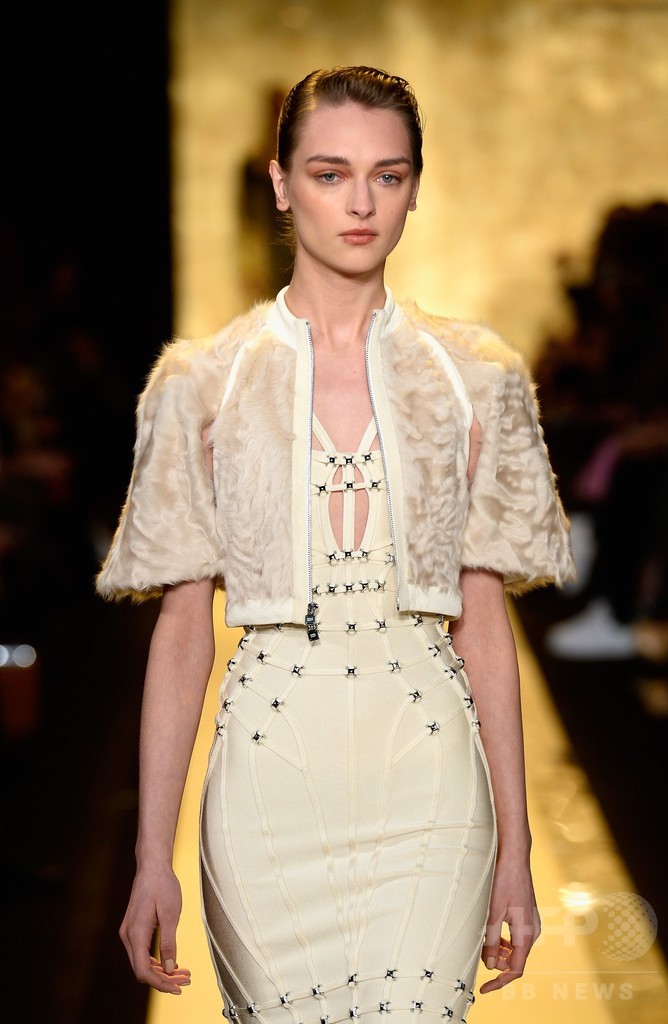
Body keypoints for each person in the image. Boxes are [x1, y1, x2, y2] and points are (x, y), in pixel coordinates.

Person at [96, 66, 575, 1022]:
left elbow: (484, 625)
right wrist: (152, 856)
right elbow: (183, 635)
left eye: (387, 176)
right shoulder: (202, 385)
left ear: (414, 188)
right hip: (268, 787)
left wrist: (517, 852)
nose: (361, 204)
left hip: (431, 783)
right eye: (329, 174)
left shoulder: (475, 380)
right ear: (280, 183)